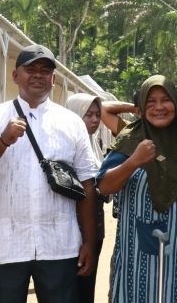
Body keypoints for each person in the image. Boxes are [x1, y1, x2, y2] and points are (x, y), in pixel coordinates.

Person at [0, 44, 98, 303]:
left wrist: (89, 243)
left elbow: (87, 185)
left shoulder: (71, 123)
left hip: (59, 245)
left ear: (53, 79)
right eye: (30, 69)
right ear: (15, 76)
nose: (38, 75)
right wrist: (1, 141)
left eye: (45, 70)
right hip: (7, 246)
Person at [96, 75, 177, 302]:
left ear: (175, 102)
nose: (159, 107)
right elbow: (103, 186)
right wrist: (134, 160)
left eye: (165, 100)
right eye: (150, 102)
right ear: (141, 108)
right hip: (136, 250)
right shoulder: (129, 139)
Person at [65, 93, 106, 303]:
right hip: (71, 233)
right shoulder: (63, 149)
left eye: (97, 114)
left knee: (86, 290)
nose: (95, 120)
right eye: (88, 114)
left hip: (94, 231)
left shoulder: (93, 146)